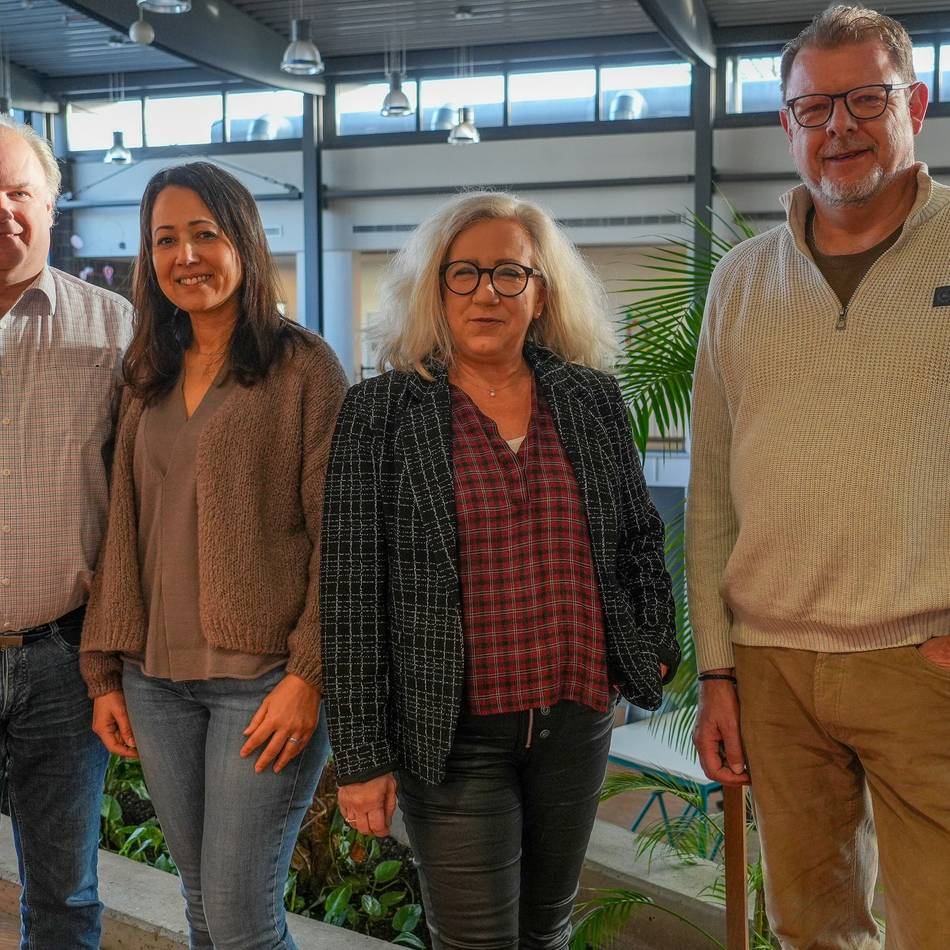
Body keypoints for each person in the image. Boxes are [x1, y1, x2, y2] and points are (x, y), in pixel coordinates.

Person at [321, 191, 678, 950]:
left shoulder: (590, 399)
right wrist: (361, 757)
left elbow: (640, 536)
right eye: (466, 274)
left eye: (510, 274)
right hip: (450, 733)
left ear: (541, 291)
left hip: (576, 719)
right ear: (435, 288)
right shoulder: (380, 412)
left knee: (546, 930)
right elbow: (350, 595)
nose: (487, 291)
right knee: (476, 941)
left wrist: (652, 646)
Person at [688, 6, 949, 948]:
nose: (840, 125)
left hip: (922, 661)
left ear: (915, 102)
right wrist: (717, 666)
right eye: (814, 107)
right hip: (773, 671)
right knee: (809, 931)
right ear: (786, 126)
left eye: (866, 98)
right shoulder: (743, 280)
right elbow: (712, 487)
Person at [80, 162, 347, 950]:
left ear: (244, 243)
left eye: (205, 233)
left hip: (263, 684)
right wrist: (105, 674)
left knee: (239, 920)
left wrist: (309, 674)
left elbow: (343, 536)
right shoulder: (144, 373)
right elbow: (122, 528)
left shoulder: (304, 368)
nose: (186, 256)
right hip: (155, 680)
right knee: (203, 908)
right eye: (166, 239)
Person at [0, 115, 133, 948]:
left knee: (64, 896)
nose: (5, 210)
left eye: (20, 191)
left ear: (53, 204)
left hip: (61, 657)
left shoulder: (114, 330)